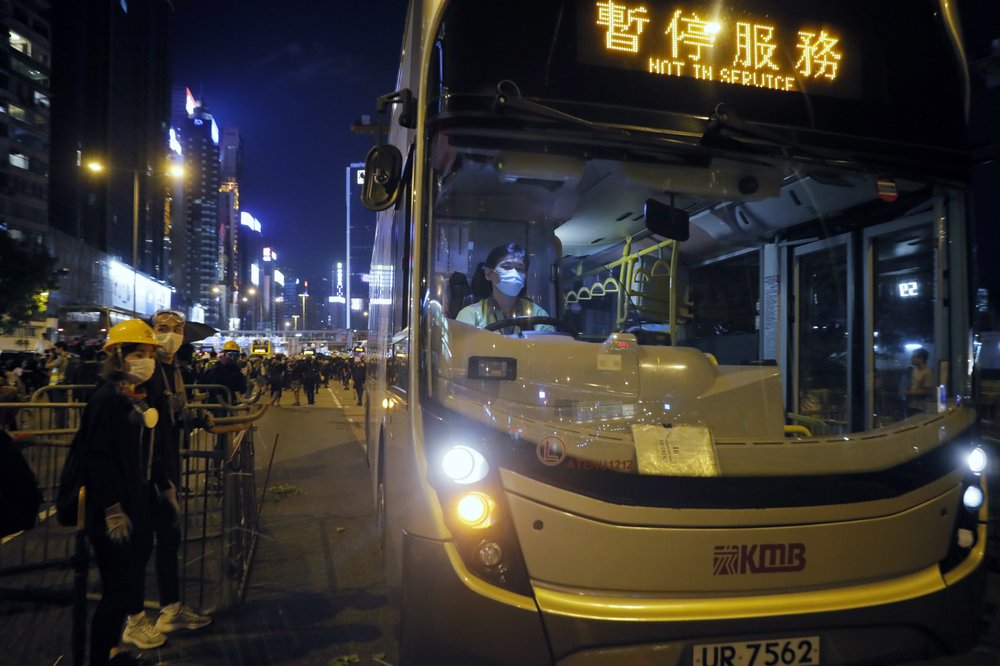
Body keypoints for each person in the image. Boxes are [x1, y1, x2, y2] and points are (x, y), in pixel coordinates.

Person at [120, 310, 211, 650]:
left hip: (167, 467)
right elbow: (145, 432)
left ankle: (171, 609)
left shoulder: (174, 370)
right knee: (140, 546)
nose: (169, 336)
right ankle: (133, 619)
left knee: (169, 540)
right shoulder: (144, 373)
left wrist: (196, 417)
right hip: (145, 474)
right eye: (161, 329)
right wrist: (164, 484)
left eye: (176, 330)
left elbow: (172, 417)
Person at [79, 320, 162, 666]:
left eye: (149, 354)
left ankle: (113, 651)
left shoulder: (133, 395)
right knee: (114, 591)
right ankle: (100, 658)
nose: (146, 360)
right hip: (114, 510)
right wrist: (113, 509)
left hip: (135, 501)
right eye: (138, 353)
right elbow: (96, 458)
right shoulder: (105, 400)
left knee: (127, 584)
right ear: (116, 356)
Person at [456, 243, 556, 333]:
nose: (514, 273)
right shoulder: (470, 315)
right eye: (506, 267)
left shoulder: (537, 314)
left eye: (520, 268)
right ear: (488, 273)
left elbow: (550, 349)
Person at [906, 347, 934, 416]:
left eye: (914, 357)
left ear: (921, 359)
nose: (911, 359)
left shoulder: (927, 372)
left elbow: (928, 390)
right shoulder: (913, 370)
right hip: (910, 404)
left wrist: (912, 393)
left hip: (921, 406)